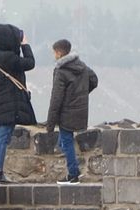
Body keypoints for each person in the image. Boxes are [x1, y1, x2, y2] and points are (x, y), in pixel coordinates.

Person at [0, 24, 36, 184]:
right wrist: (25, 45)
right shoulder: (8, 58)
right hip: (9, 101)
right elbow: (30, 63)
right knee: (3, 135)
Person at [45, 39, 98, 184]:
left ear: (59, 52)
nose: (54, 56)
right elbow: (94, 80)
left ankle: (73, 174)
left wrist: (50, 124)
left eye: (54, 53)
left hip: (66, 112)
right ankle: (74, 172)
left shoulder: (61, 71)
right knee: (64, 141)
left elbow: (56, 99)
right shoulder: (82, 66)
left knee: (66, 141)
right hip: (80, 110)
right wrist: (80, 94)